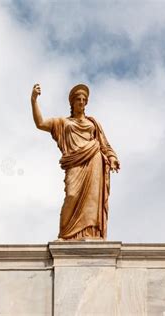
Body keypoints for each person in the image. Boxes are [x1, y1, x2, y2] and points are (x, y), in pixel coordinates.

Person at [30, 83, 120, 240]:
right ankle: (66, 235)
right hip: (74, 164)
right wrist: (33, 100)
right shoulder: (63, 123)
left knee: (93, 200)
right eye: (78, 99)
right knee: (72, 195)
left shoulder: (93, 123)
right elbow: (40, 123)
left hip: (94, 160)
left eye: (84, 99)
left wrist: (112, 158)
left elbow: (105, 145)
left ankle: (91, 233)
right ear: (72, 102)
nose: (81, 101)